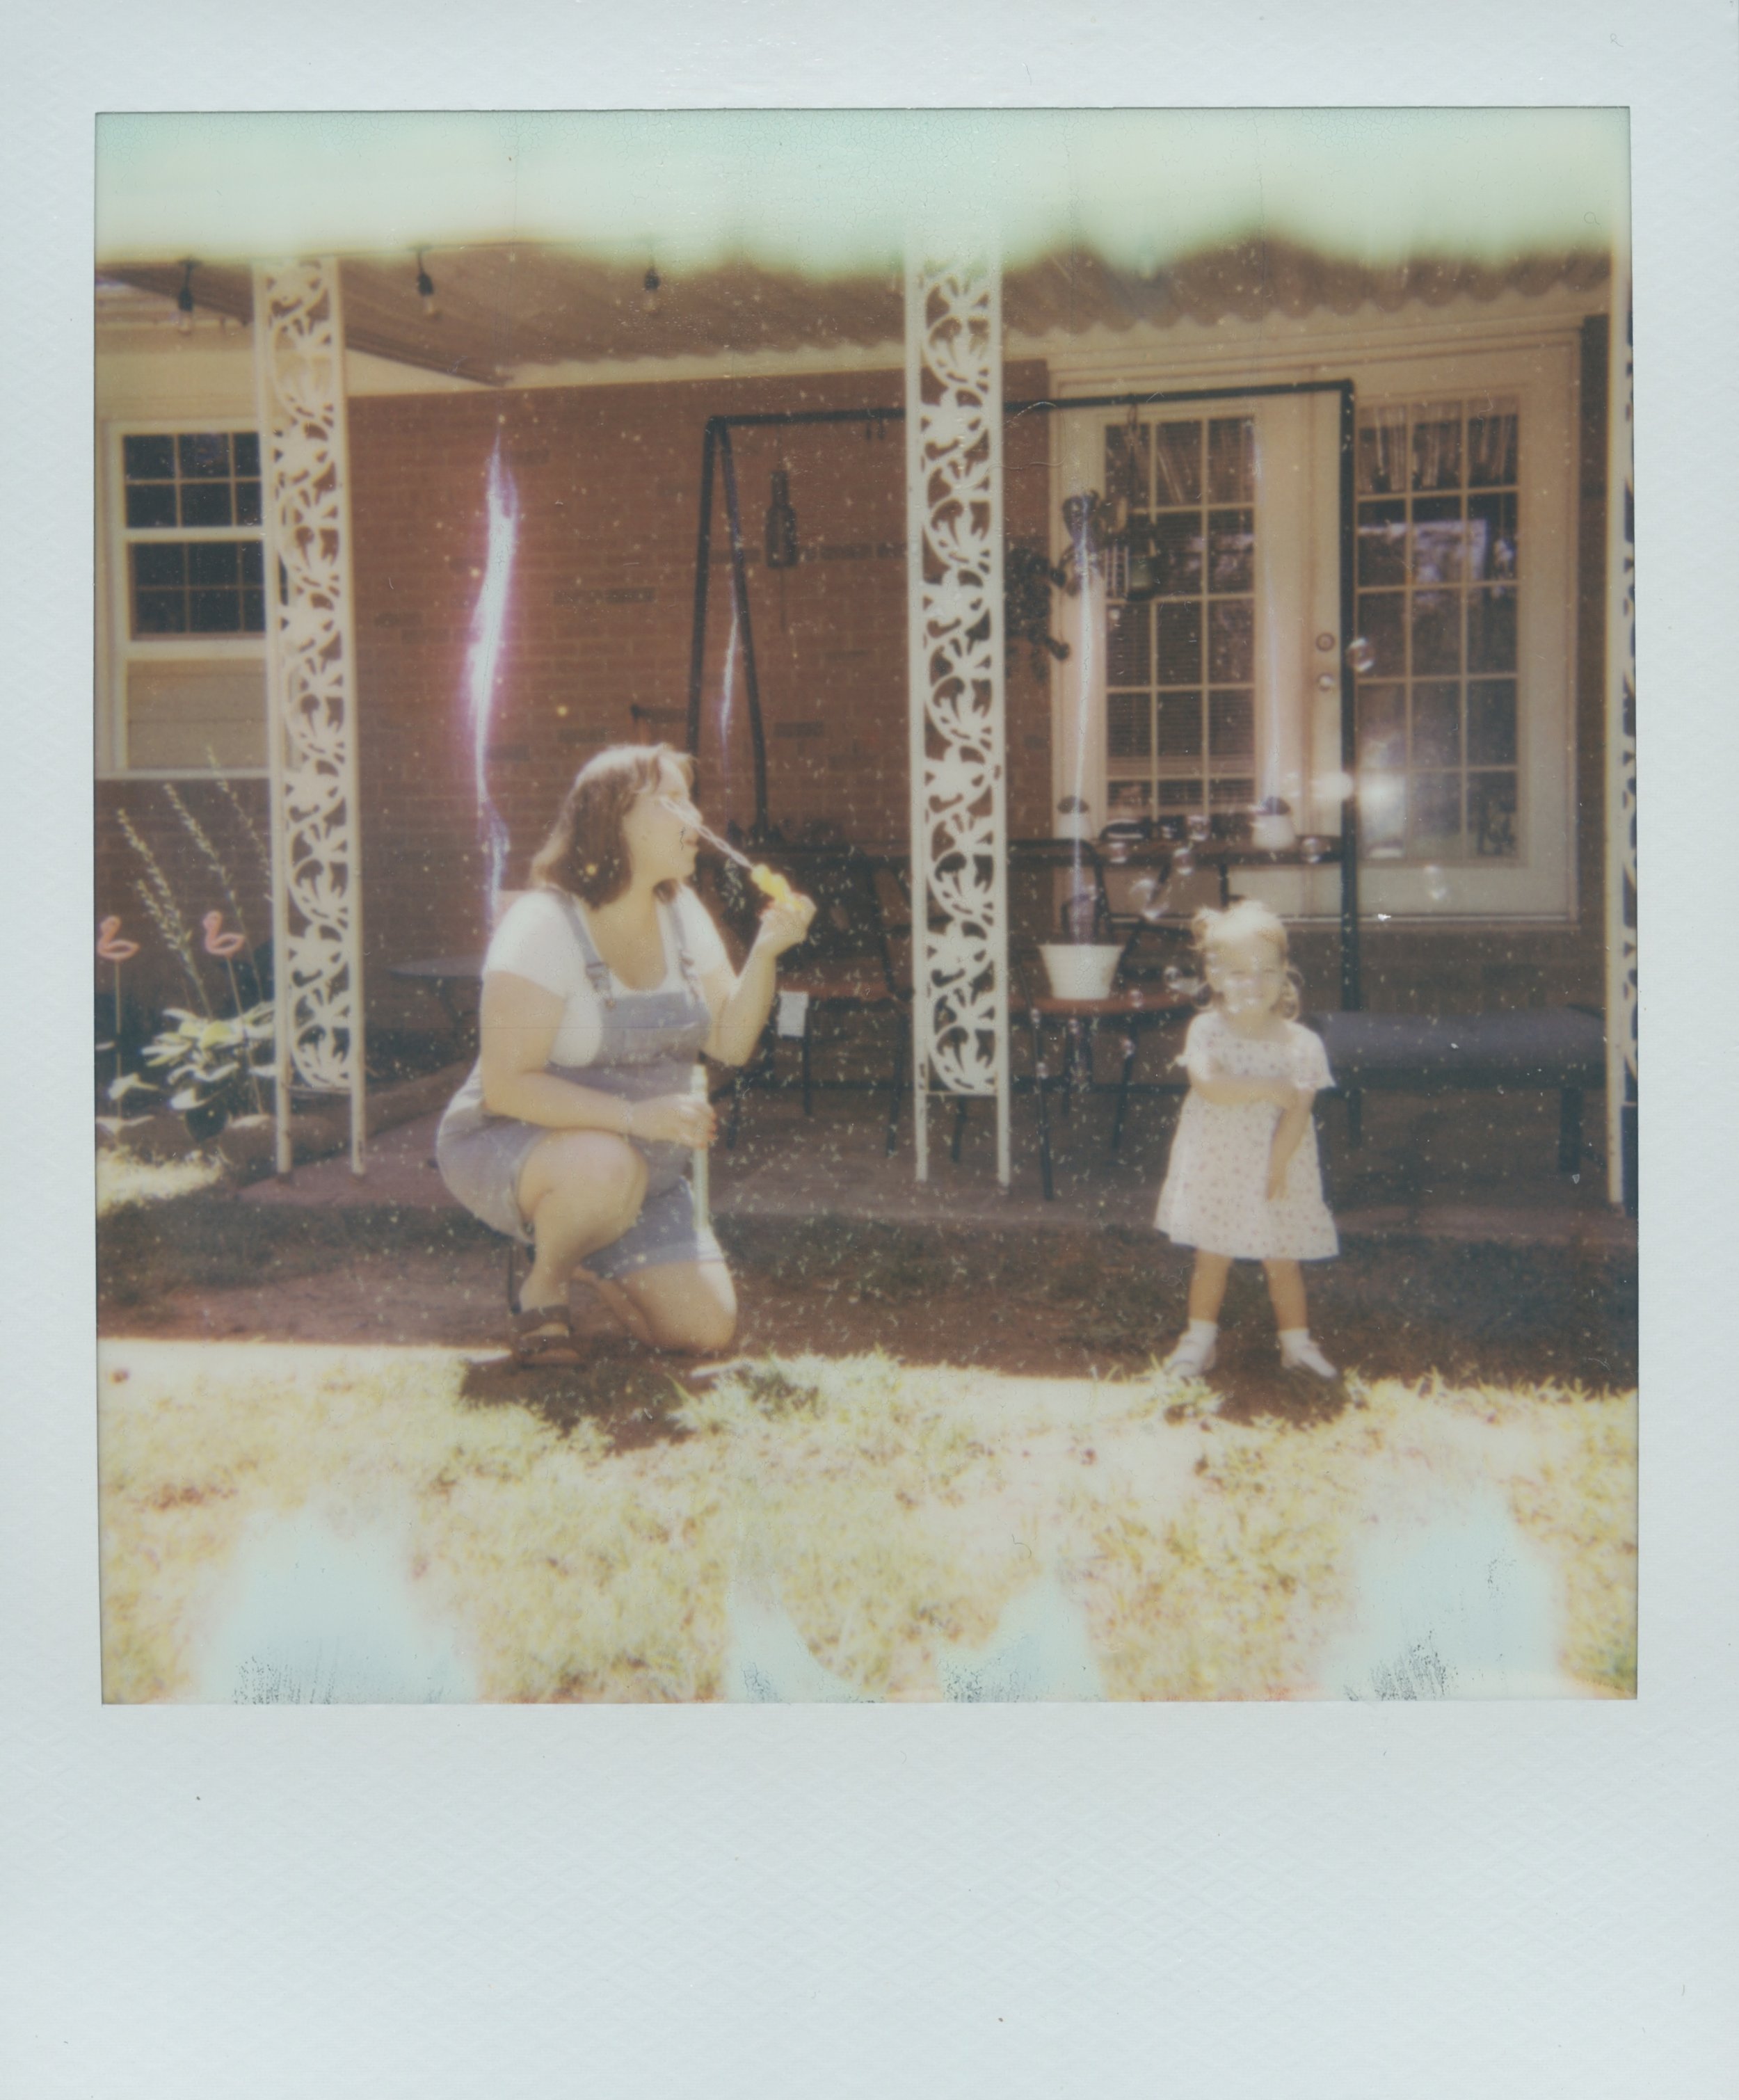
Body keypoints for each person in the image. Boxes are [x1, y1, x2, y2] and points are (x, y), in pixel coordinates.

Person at [437, 743, 815, 1366]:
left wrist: (767, 952)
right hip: (526, 1144)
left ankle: (587, 1256)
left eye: (691, 800)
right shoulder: (543, 924)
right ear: (612, 819)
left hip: (644, 1171)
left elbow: (732, 1041)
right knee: (605, 1169)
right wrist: (638, 1118)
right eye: (672, 801)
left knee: (704, 1330)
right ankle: (545, 1285)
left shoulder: (683, 912)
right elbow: (506, 1085)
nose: (695, 818)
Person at [1154, 898, 1340, 1384]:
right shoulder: (1207, 1031)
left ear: (1285, 975)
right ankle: (1199, 1340)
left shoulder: (1301, 1043)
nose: (1253, 984)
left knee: (1283, 1257)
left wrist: (1277, 1164)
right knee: (1211, 1254)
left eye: (1266, 971)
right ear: (1213, 977)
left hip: (1280, 1169)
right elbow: (1209, 1085)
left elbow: (1299, 1111)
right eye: (1237, 972)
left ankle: (1296, 1344)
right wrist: (1262, 1086)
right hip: (1217, 1162)